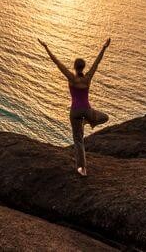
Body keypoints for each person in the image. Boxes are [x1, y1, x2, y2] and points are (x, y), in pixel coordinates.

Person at [38, 37, 111, 176]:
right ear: (83, 67)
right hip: (87, 110)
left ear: (75, 67)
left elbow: (57, 63)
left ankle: (82, 169)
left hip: (75, 112)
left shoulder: (71, 78)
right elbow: (97, 62)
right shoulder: (88, 78)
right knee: (105, 117)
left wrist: (46, 47)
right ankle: (89, 121)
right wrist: (104, 47)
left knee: (78, 141)